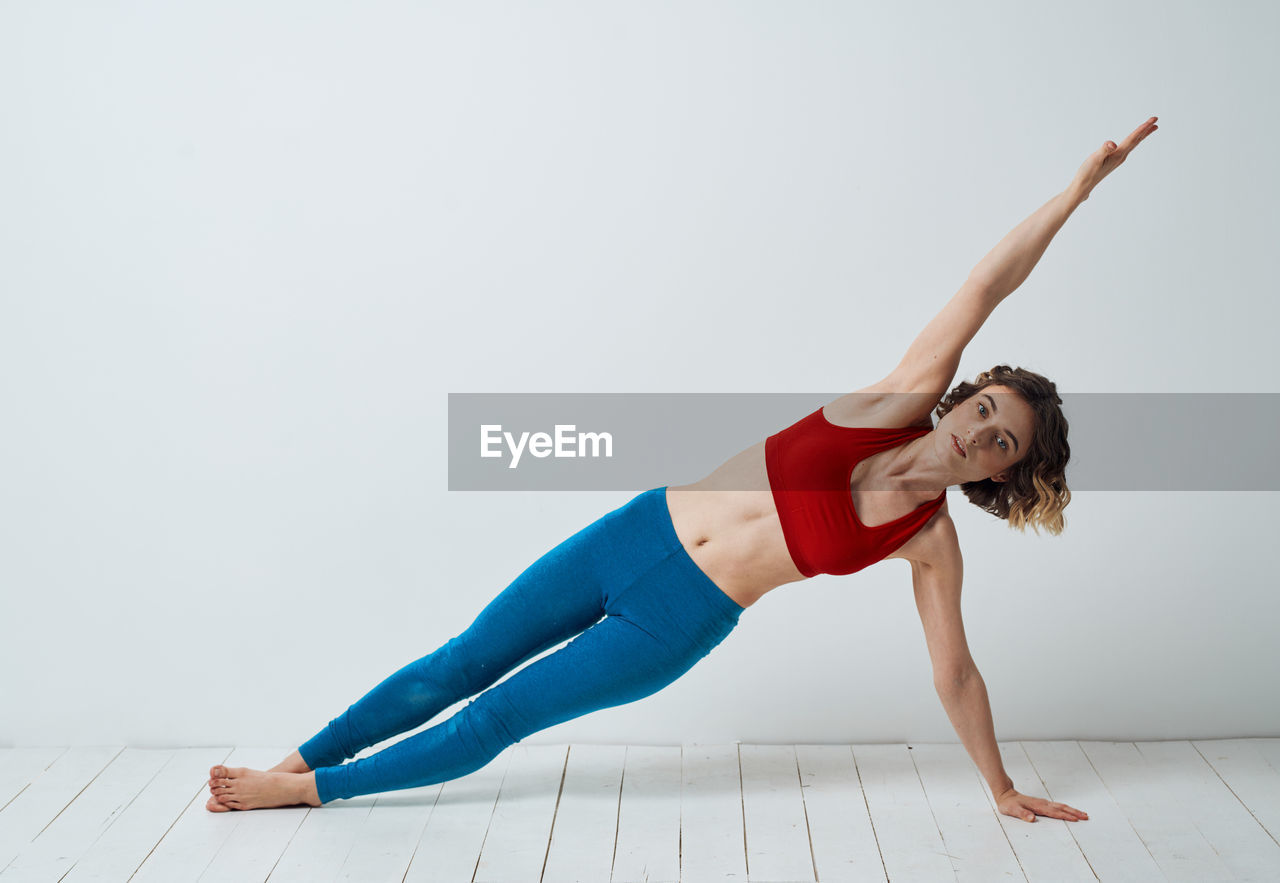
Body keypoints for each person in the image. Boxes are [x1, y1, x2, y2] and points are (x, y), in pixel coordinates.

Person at [207, 117, 1157, 822]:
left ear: (1002, 473)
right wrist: (1075, 195)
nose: (983, 434)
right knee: (461, 660)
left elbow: (954, 671)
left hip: (676, 621)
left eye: (1005, 444)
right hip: (638, 531)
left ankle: (306, 791)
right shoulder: (899, 398)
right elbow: (985, 285)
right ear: (963, 398)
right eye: (987, 410)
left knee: (497, 717)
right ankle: (300, 752)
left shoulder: (931, 539)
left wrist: (997, 785)